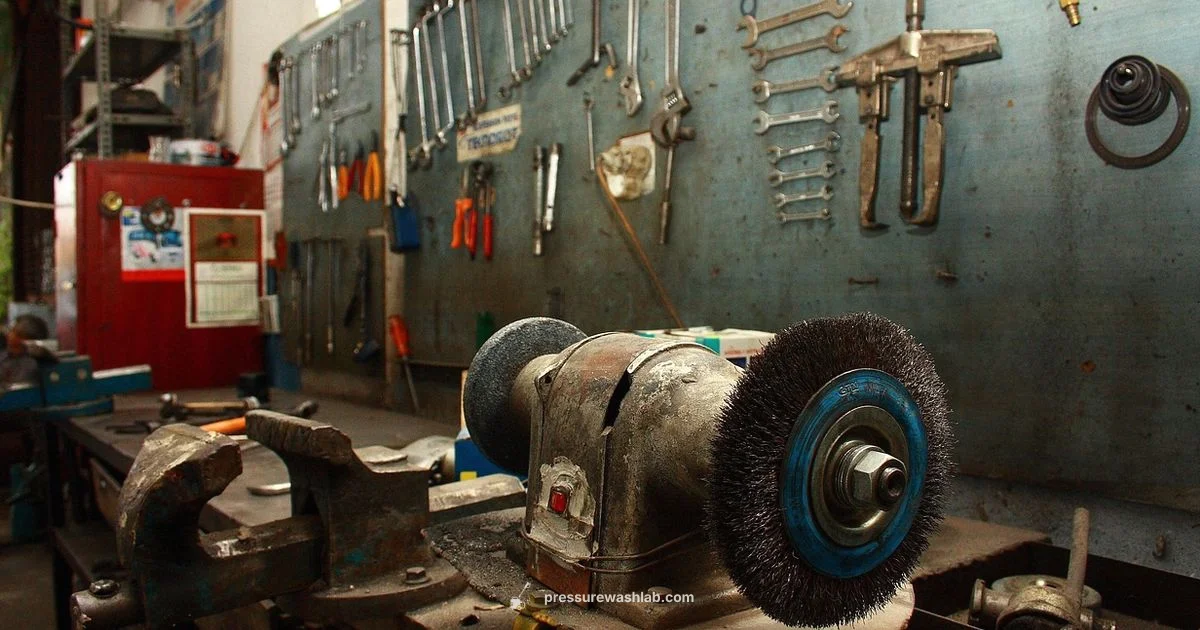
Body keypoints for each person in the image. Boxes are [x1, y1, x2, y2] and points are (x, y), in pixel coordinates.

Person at [0, 314, 50, 386]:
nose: (11, 336)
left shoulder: (32, 363)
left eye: (19, 335)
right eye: (12, 331)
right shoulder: (3, 355)